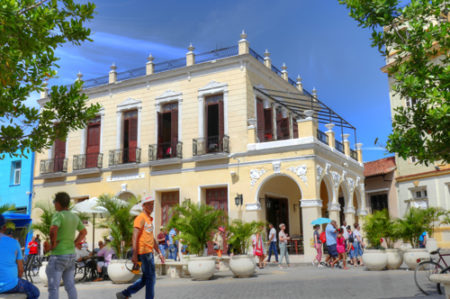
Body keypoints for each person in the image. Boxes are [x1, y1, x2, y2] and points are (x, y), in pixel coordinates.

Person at [116, 196, 165, 299]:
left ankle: (124, 294)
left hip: (148, 252)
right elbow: (135, 236)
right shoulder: (141, 218)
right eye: (149, 204)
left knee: (146, 279)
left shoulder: (149, 219)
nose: (151, 206)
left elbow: (152, 238)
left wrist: (159, 252)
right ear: (143, 206)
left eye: (152, 204)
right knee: (151, 279)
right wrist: (134, 254)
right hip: (144, 252)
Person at [47, 191, 87, 299]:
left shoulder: (58, 215)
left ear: (59, 203)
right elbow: (84, 232)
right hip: (70, 255)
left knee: (53, 288)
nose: (54, 204)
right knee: (70, 286)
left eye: (54, 201)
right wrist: (75, 243)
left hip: (58, 255)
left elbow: (53, 229)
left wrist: (53, 243)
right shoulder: (74, 217)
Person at [0, 215, 40, 299]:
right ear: (4, 228)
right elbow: (21, 270)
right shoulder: (14, 242)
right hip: (11, 285)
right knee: (35, 292)